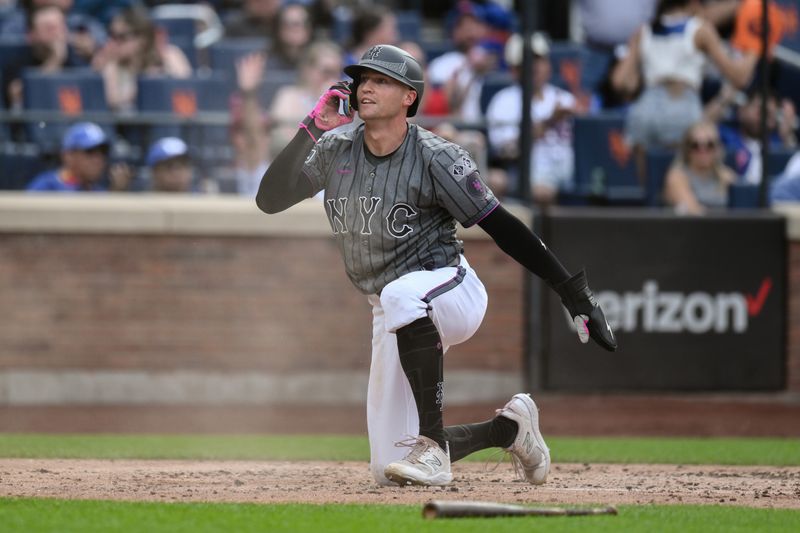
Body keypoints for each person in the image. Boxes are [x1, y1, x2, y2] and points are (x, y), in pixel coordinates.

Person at [255, 44, 617, 487]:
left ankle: (433, 449)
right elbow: (269, 201)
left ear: (409, 97)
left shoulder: (435, 155)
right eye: (363, 79)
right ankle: (512, 429)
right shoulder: (335, 147)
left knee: (401, 293)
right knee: (387, 469)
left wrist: (571, 291)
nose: (366, 87)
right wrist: (312, 128)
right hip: (390, 308)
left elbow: (503, 227)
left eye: (381, 80)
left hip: (450, 287)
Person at [610, 0, 759, 166]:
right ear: (694, 4)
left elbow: (619, 81)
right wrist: (755, 47)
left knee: (645, 185)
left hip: (645, 110)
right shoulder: (699, 29)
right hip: (681, 106)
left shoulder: (644, 30)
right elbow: (738, 77)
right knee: (683, 178)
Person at [486, 32, 582, 204]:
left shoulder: (565, 98)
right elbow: (507, 151)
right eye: (527, 61)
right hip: (527, 177)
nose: (535, 66)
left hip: (570, 175)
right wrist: (548, 122)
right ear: (515, 69)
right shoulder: (504, 101)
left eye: (539, 59)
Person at [92, 4, 192, 112]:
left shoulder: (169, 55)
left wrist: (162, 78)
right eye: (111, 35)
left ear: (142, 39)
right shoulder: (113, 65)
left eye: (121, 37)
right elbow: (111, 102)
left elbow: (187, 89)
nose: (113, 42)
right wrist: (142, 90)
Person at [1, 4, 88, 110]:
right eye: (49, 28)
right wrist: (54, 61)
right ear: (31, 35)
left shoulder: (75, 57)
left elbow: (87, 93)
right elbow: (17, 96)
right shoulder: (17, 59)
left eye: (60, 27)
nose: (56, 34)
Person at [710, 86, 798, 184]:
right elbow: (701, 130)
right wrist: (723, 100)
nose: (762, 118)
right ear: (742, 110)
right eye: (759, 111)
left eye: (768, 113)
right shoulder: (725, 135)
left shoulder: (778, 143)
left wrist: (787, 135)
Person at [269, 40, 344, 153]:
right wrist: (322, 101)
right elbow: (281, 137)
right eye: (326, 72)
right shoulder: (289, 95)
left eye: (336, 73)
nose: (331, 79)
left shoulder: (345, 101)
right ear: (308, 70)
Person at [27, 121, 131, 191]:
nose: (98, 159)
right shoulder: (46, 187)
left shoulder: (98, 192)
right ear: (68, 155)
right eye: (90, 152)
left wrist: (117, 194)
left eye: (103, 152)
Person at [663, 120, 737, 214]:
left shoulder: (726, 176)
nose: (703, 151)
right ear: (687, 149)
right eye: (695, 146)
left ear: (717, 149)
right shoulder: (676, 176)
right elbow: (693, 211)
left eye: (709, 145)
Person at [230, 51, 272, 197]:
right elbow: (252, 139)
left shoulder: (265, 166)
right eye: (238, 132)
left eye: (265, 131)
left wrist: (248, 94)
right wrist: (247, 94)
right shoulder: (247, 166)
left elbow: (254, 139)